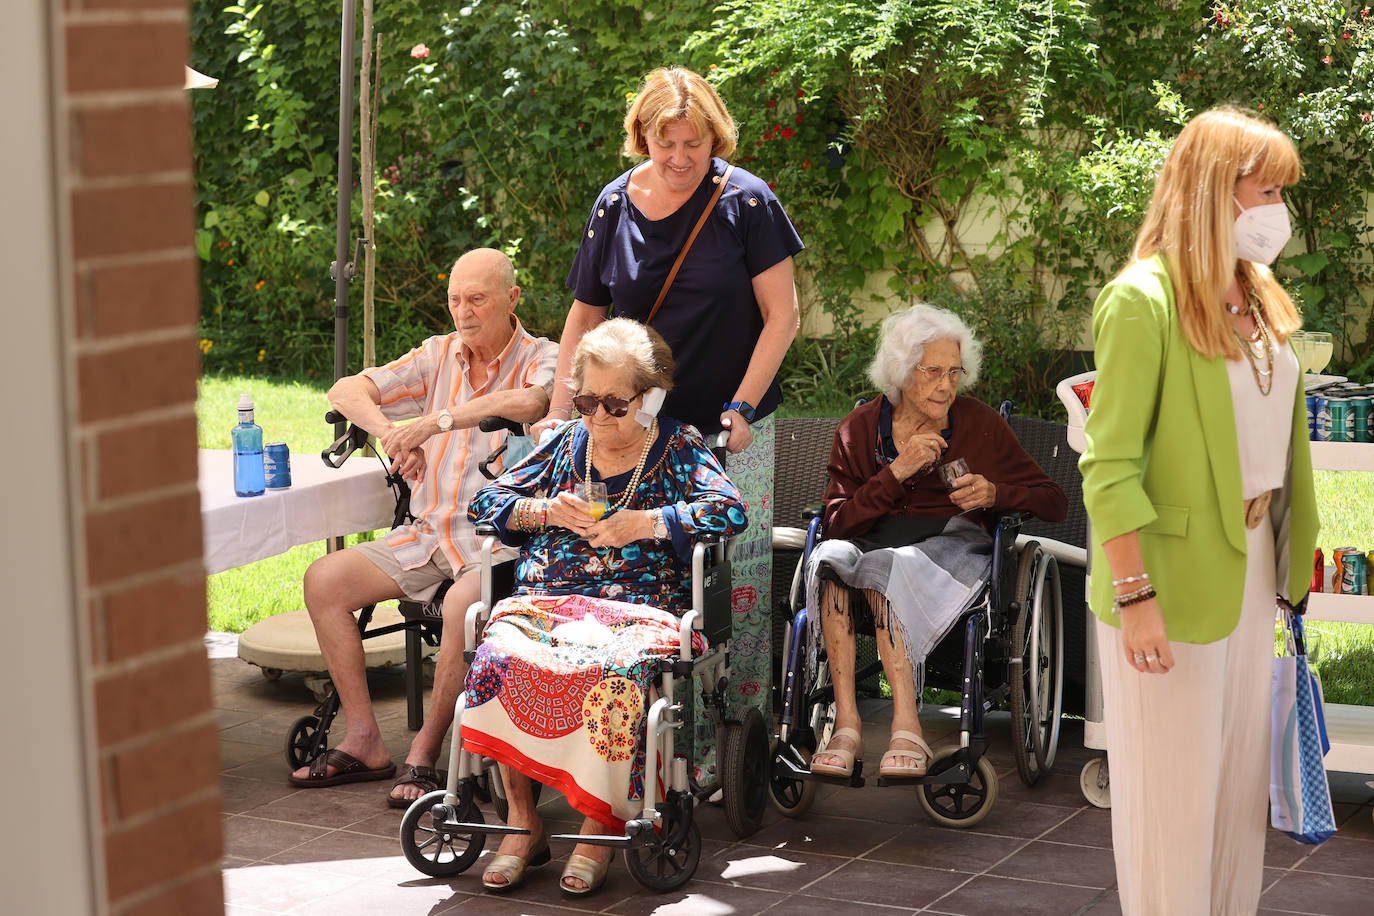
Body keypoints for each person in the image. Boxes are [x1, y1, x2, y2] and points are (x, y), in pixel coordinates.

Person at [1079, 107, 1318, 914]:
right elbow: (1108, 468)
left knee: (1232, 797)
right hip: (1165, 581)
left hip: (1248, 568)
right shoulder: (1142, 300)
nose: (1278, 208)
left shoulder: (1255, 292)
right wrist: (1134, 596)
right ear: (1217, 189)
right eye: (1267, 188)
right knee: (1173, 806)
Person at [533, 67, 803, 760]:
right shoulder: (613, 205)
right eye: (665, 142)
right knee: (638, 568)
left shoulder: (747, 202)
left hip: (727, 424)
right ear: (641, 137)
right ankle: (643, 738)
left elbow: (783, 317)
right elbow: (586, 314)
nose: (681, 157)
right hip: (633, 427)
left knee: (730, 582)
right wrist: (564, 409)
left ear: (717, 135)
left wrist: (741, 404)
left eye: (696, 142)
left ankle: (736, 743)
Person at [463, 319, 747, 895]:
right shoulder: (564, 444)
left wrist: (648, 523)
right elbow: (484, 504)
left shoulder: (677, 447)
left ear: (652, 398)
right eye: (587, 399)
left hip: (638, 612)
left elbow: (729, 511)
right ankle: (522, 820)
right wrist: (542, 512)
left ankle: (599, 825)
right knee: (499, 654)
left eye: (615, 404)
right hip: (549, 602)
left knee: (612, 673)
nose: (595, 416)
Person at [288, 248, 557, 808]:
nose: (463, 311)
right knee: (325, 580)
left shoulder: (542, 356)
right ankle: (364, 739)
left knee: (462, 609)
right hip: (427, 533)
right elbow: (345, 389)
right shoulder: (439, 355)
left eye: (477, 299)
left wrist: (432, 422)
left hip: (497, 543)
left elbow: (532, 403)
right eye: (455, 298)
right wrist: (393, 433)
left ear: (511, 299)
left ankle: (426, 752)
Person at [806, 304, 1067, 779]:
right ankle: (846, 724)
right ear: (903, 372)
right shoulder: (860, 429)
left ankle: (908, 725)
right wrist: (897, 472)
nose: (947, 385)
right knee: (830, 560)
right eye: (933, 372)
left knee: (887, 566)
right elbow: (839, 522)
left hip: (952, 548)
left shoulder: (980, 425)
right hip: (873, 541)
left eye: (954, 371)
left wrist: (996, 493)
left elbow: (1054, 501)